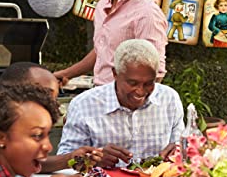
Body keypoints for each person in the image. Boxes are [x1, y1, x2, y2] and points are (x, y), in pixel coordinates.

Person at [58, 39, 184, 168]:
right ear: (115, 74)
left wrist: (179, 152)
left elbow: (180, 146)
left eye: (148, 83)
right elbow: (65, 159)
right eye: (132, 83)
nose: (140, 91)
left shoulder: (169, 99)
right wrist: (93, 159)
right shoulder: (83, 105)